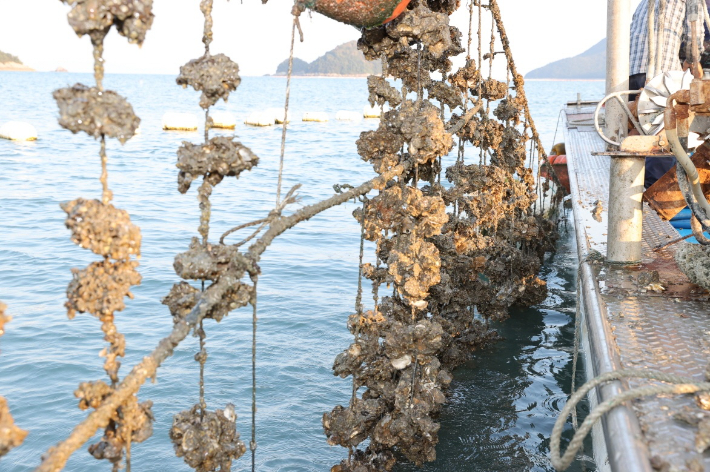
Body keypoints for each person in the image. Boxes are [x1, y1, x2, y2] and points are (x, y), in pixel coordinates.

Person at [628, 0, 706, 187]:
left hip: (632, 71)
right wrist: (692, 60)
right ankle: (655, 189)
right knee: (664, 134)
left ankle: (630, 182)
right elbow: (694, 38)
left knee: (637, 128)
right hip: (661, 73)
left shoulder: (644, 2)